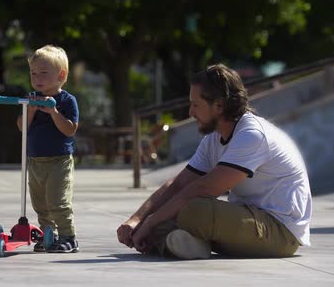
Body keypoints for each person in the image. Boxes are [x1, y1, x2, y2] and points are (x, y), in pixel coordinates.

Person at [117, 64, 312, 259]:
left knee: (193, 210)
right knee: (170, 212)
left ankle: (176, 238)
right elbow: (179, 184)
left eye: (195, 104)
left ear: (219, 105)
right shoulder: (213, 139)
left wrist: (151, 222)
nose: (191, 113)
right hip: (245, 220)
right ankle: (186, 243)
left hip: (280, 232)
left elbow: (203, 189)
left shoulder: (252, 135)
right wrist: (137, 220)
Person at [17, 45, 80, 253]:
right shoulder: (31, 98)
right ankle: (48, 236)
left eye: (43, 73)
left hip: (58, 161)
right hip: (35, 161)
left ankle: (68, 236)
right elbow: (21, 127)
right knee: (41, 204)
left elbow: (70, 129)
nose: (37, 78)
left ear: (60, 75)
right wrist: (32, 111)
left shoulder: (67, 101)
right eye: (33, 73)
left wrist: (53, 112)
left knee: (58, 201)